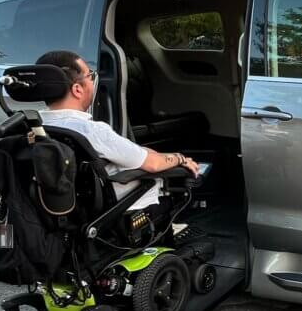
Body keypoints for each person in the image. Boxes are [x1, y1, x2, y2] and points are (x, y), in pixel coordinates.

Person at [35, 50, 202, 214]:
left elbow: (140, 154)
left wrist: (153, 154)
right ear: (77, 89)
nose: (93, 82)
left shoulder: (30, 128)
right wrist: (180, 159)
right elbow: (153, 164)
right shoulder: (91, 131)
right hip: (118, 210)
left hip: (64, 209)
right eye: (90, 76)